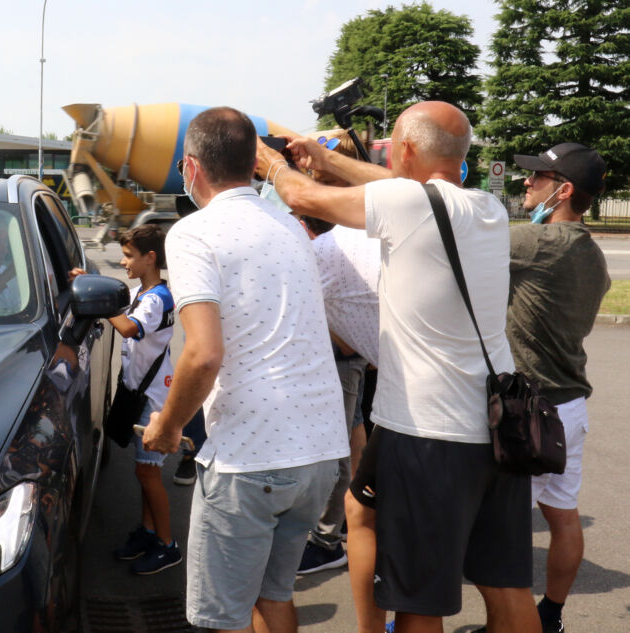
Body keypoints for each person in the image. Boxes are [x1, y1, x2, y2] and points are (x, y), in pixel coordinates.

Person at [255, 101, 541, 633]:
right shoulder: (488, 208)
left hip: (427, 434)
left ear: (405, 149)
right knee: (506, 586)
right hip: (497, 424)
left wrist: (267, 161)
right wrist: (325, 156)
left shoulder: (405, 204)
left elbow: (300, 197)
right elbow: (404, 186)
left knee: (418, 601)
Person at [143, 106, 347, 633]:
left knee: (219, 618)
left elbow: (203, 353)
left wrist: (166, 427)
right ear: (253, 164)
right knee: (273, 595)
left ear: (191, 168)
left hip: (251, 454)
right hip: (319, 451)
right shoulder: (290, 226)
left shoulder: (193, 234)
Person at [494, 143, 609, 633]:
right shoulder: (594, 256)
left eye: (536, 177)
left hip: (525, 409)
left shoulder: (532, 243)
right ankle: (550, 616)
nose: (526, 183)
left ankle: (513, 623)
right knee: (562, 515)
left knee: (500, 526)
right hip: (569, 406)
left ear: (561, 190)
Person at [79, 224, 180, 575]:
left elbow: (128, 328)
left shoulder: (156, 299)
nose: (123, 262)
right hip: (146, 392)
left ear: (150, 258)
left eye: (128, 256)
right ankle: (150, 532)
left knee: (149, 474)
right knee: (145, 472)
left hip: (154, 400)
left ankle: (168, 545)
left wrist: (95, 299)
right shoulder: (144, 291)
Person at [295, 219, 380, 576]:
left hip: (343, 361)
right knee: (351, 431)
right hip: (350, 359)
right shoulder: (342, 249)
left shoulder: (326, 253)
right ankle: (346, 516)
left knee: (336, 447)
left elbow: (330, 321)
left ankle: (327, 540)